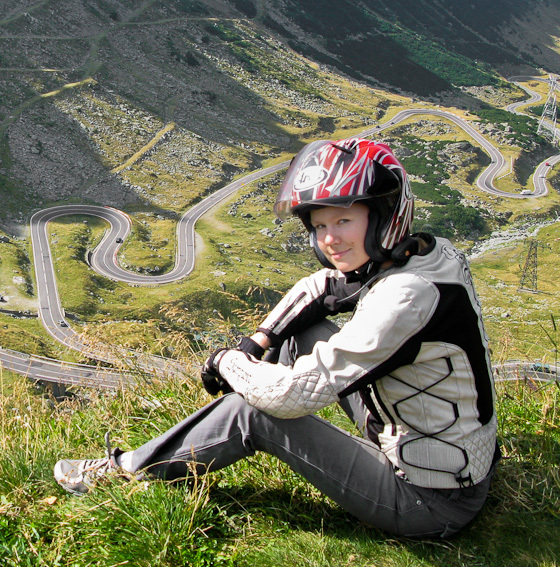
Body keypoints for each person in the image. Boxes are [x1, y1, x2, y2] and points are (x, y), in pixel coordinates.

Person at [54, 138, 499, 539]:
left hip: (431, 501)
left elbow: (286, 397)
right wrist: (258, 342)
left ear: (383, 216)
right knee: (295, 334)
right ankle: (189, 447)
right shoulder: (422, 255)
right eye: (320, 226)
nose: (330, 239)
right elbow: (320, 288)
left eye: (344, 220)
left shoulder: (405, 297)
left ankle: (127, 471)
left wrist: (228, 361)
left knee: (255, 411)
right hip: (443, 454)